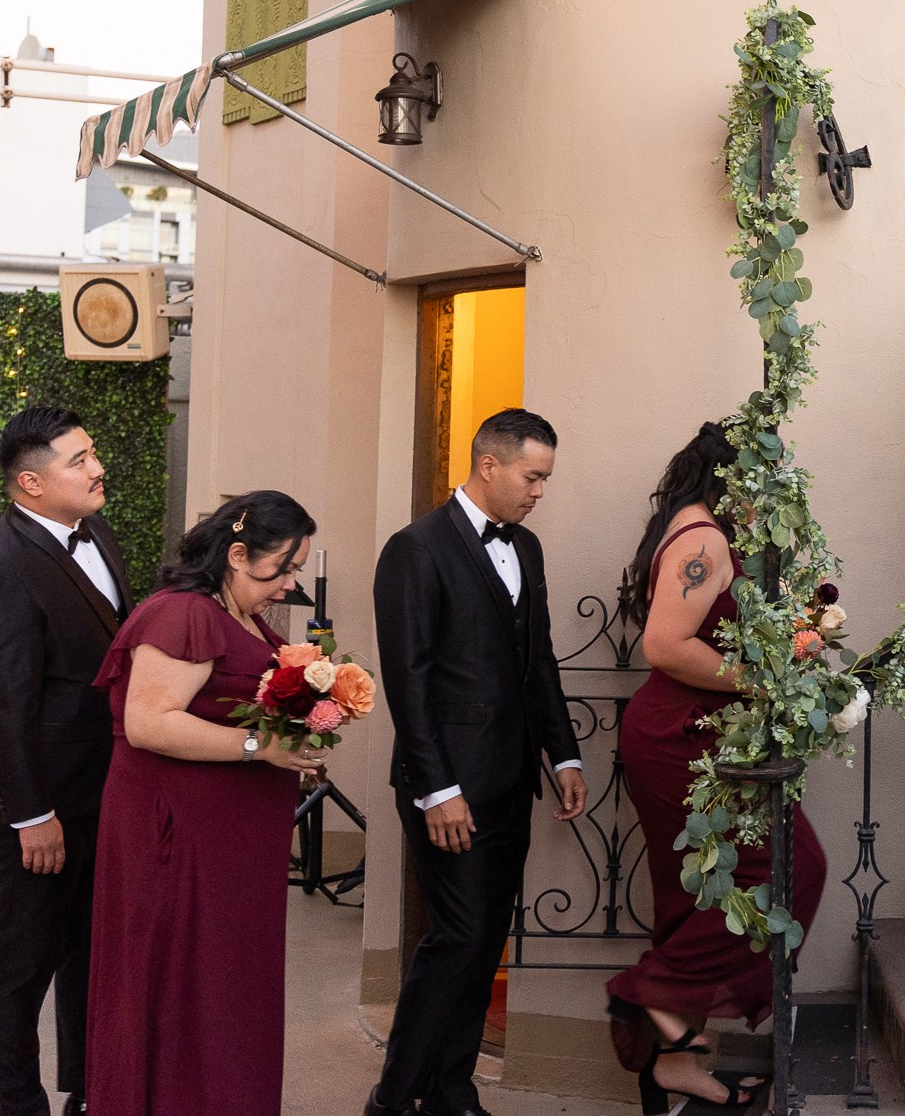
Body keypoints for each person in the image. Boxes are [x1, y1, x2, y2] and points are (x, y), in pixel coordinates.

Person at [368, 408, 588, 1116]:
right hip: (448, 788)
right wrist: (438, 789)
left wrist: (565, 753)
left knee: (486, 935)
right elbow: (409, 679)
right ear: (489, 464)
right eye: (533, 475)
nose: (539, 491)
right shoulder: (415, 549)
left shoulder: (527, 548)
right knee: (457, 934)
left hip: (511, 780)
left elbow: (539, 660)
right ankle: (394, 1096)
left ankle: (451, 1091)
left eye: (546, 478)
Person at [606, 423, 825, 1114]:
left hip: (703, 733)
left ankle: (676, 1062)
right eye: (767, 473)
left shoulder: (713, 530)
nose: (776, 487)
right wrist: (761, 683)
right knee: (792, 865)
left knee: (693, 893)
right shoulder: (702, 538)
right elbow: (666, 644)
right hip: (677, 735)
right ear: (734, 473)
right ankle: (651, 993)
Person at [86, 491, 328, 1116]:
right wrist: (261, 746)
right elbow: (147, 723)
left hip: (229, 847)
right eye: (285, 567)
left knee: (224, 987)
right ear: (238, 554)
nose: (290, 584)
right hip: (177, 840)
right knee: (181, 985)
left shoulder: (239, 615)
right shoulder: (182, 615)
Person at [0, 405, 136, 1116]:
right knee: (20, 965)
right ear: (30, 483)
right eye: (78, 460)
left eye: (92, 454)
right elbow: (2, 707)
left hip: (100, 790)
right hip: (34, 802)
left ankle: (90, 1093)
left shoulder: (98, 534)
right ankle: (13, 1105)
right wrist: (35, 815)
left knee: (91, 953)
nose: (96, 468)